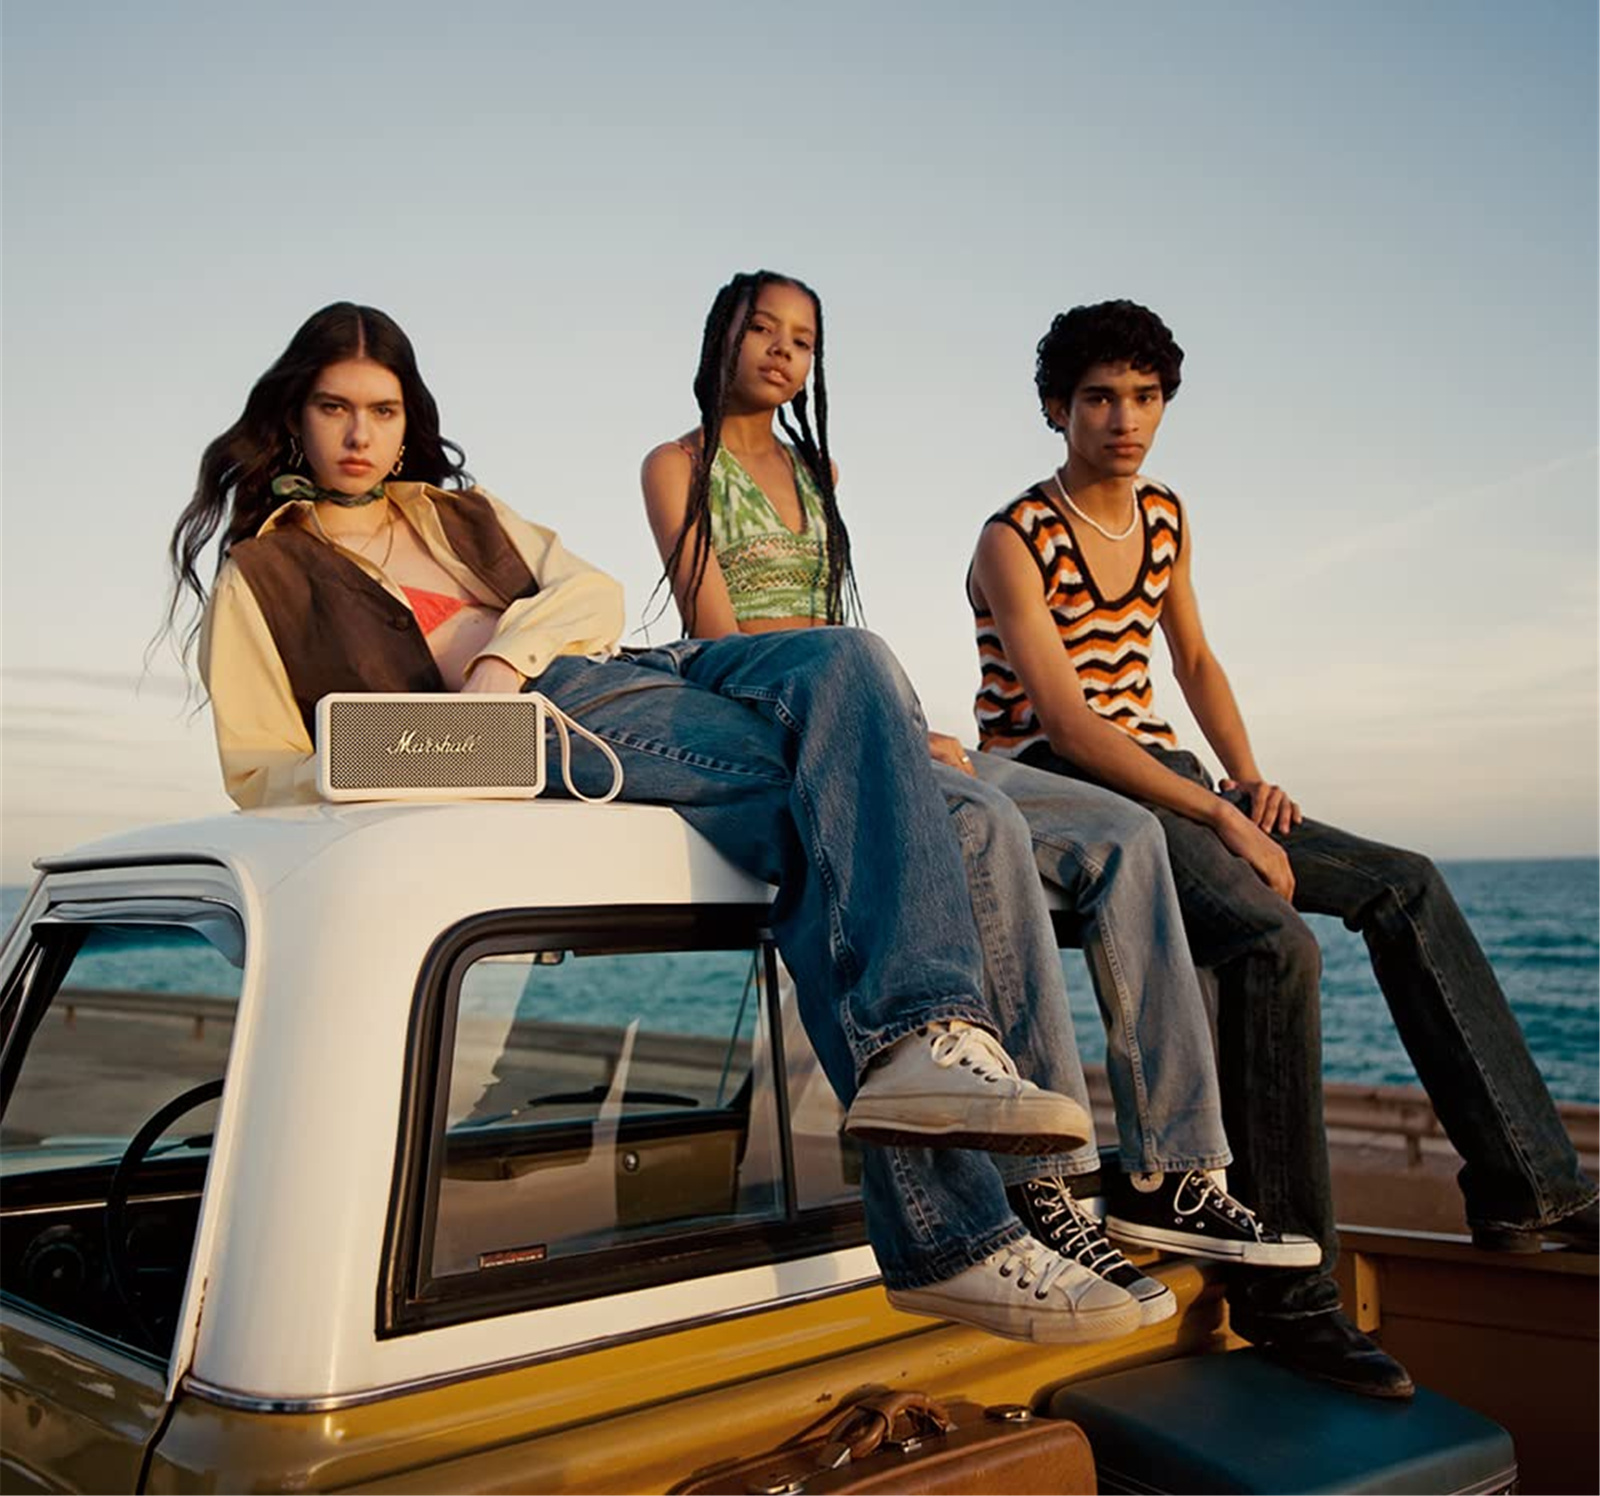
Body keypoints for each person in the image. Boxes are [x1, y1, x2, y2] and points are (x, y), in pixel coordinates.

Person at [166, 301, 1156, 1347]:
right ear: (297, 414)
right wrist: (407, 755)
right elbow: (262, 771)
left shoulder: (461, 514)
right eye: (335, 408)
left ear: (409, 420)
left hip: (626, 672)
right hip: (524, 739)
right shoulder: (261, 574)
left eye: (383, 410)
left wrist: (500, 657)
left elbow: (587, 592)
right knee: (917, 814)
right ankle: (958, 1223)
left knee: (850, 658)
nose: (360, 434)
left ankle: (943, 1066)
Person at [639, 270, 1316, 1334]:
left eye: (802, 339)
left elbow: (834, 613)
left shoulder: (819, 471)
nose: (781, 351)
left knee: (1128, 833)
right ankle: (1045, 1186)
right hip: (766, 701)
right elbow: (722, 633)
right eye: (760, 329)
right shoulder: (677, 464)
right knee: (990, 823)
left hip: (865, 698)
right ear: (719, 338)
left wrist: (899, 718)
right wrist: (873, 718)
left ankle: (1174, 1169)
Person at [967, 296, 1599, 1396]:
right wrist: (1217, 816)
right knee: (1271, 943)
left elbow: (1195, 660)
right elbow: (1063, 722)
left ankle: (1530, 1191)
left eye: (1145, 397)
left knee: (1404, 884)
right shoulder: (1014, 536)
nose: (1125, 419)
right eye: (1100, 398)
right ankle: (1291, 1297)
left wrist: (1246, 779)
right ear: (1057, 409)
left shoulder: (1164, 515)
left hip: (1175, 772)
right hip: (1071, 782)